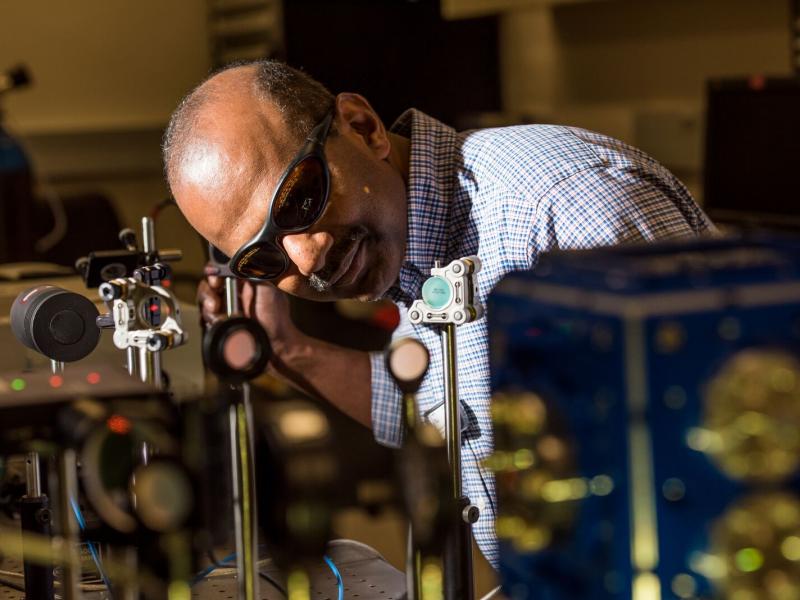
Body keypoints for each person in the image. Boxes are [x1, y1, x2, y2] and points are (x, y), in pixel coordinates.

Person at [163, 60, 714, 567]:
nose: (307, 257)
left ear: (363, 128)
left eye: (300, 200)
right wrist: (286, 349)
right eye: (263, 256)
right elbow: (435, 415)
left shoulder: (561, 211)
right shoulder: (408, 247)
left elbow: (718, 462)